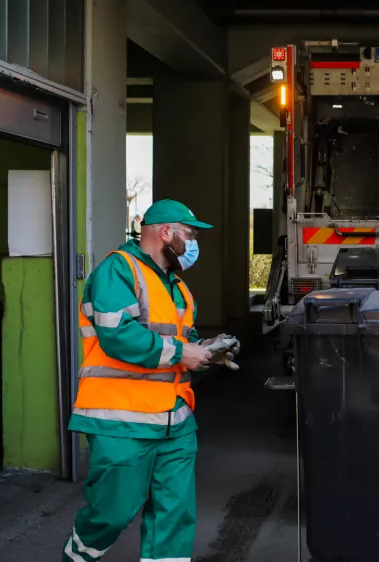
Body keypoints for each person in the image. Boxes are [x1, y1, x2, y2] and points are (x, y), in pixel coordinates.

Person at [63, 199, 238, 562]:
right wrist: (180, 352)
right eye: (190, 235)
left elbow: (177, 342)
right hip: (121, 421)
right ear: (166, 233)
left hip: (175, 423)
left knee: (173, 521)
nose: (193, 244)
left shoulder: (178, 288)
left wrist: (204, 351)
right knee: (108, 516)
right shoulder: (118, 270)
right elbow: (117, 336)